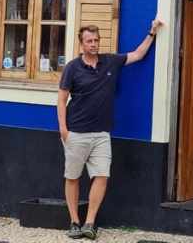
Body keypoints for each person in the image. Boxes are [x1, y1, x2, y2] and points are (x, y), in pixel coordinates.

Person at [58, 19, 164, 240]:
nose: (94, 44)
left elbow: (137, 55)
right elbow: (61, 100)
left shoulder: (110, 62)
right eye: (89, 41)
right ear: (81, 43)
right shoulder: (72, 68)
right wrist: (63, 130)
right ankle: (74, 221)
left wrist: (151, 33)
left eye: (96, 40)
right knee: (72, 177)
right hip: (76, 131)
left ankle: (89, 222)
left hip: (102, 133)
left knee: (102, 175)